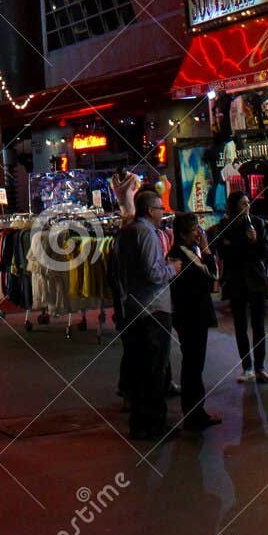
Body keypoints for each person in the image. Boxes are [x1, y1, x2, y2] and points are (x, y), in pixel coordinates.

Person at [114, 189, 181, 441]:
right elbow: (153, 274)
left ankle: (140, 424)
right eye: (161, 208)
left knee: (140, 370)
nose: (163, 212)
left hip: (133, 307)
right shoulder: (148, 234)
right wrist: (171, 268)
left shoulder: (125, 233)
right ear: (151, 210)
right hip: (153, 309)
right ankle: (155, 424)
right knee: (155, 370)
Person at [211, 191, 268, 384]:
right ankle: (247, 367)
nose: (247, 206)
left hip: (256, 280)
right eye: (242, 203)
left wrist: (253, 241)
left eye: (248, 202)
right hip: (236, 280)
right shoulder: (224, 226)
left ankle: (260, 367)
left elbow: (264, 252)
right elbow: (223, 253)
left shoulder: (257, 223)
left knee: (258, 325)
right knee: (240, 325)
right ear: (233, 206)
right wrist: (242, 246)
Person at [170, 213, 221, 431]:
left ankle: (195, 411)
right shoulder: (182, 256)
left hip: (190, 316)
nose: (198, 234)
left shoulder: (185, 253)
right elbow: (212, 276)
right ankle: (194, 413)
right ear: (183, 233)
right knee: (193, 365)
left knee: (193, 364)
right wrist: (207, 250)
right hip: (191, 317)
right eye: (194, 231)